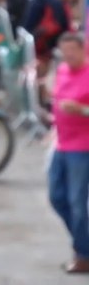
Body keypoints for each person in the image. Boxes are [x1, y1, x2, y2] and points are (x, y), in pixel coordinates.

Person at [49, 32, 89, 274]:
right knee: (56, 196)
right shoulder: (63, 71)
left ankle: (83, 254)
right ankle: (83, 243)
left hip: (82, 148)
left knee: (76, 202)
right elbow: (56, 99)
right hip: (62, 143)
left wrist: (82, 110)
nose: (68, 56)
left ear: (83, 50)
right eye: (64, 52)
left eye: (72, 51)